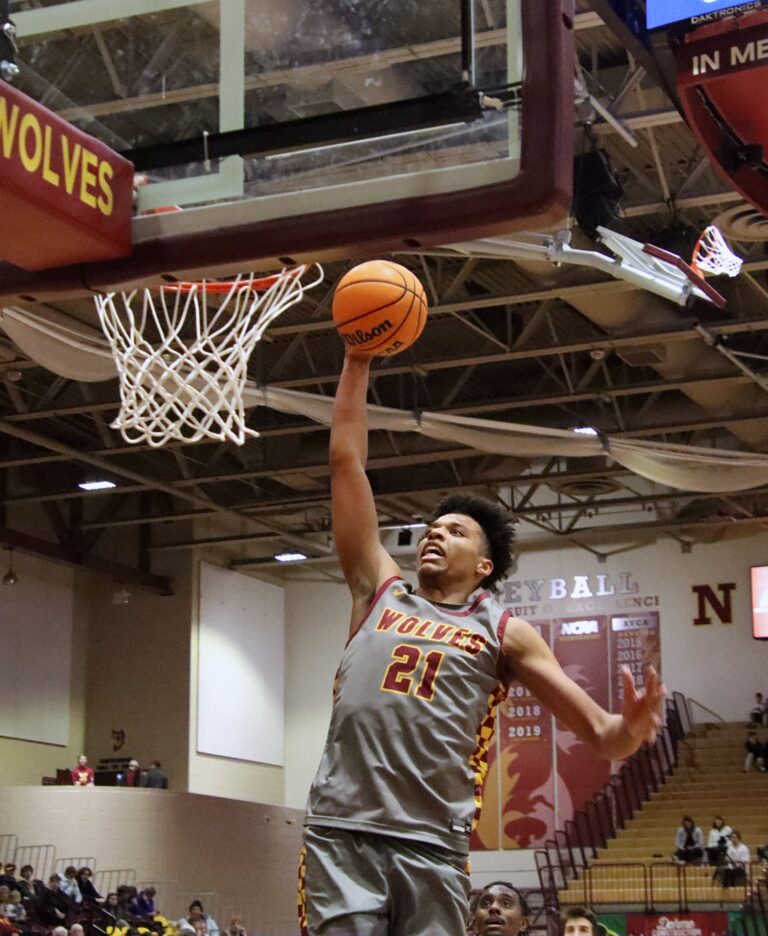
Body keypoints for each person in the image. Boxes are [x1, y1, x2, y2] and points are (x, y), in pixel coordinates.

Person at [299, 351, 666, 936]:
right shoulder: (378, 593)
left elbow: (602, 735)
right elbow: (346, 460)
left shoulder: (503, 630)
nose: (434, 535)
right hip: (344, 830)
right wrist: (356, 358)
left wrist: (635, 726)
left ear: (485, 563)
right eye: (431, 528)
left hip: (431, 839)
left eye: (455, 531)